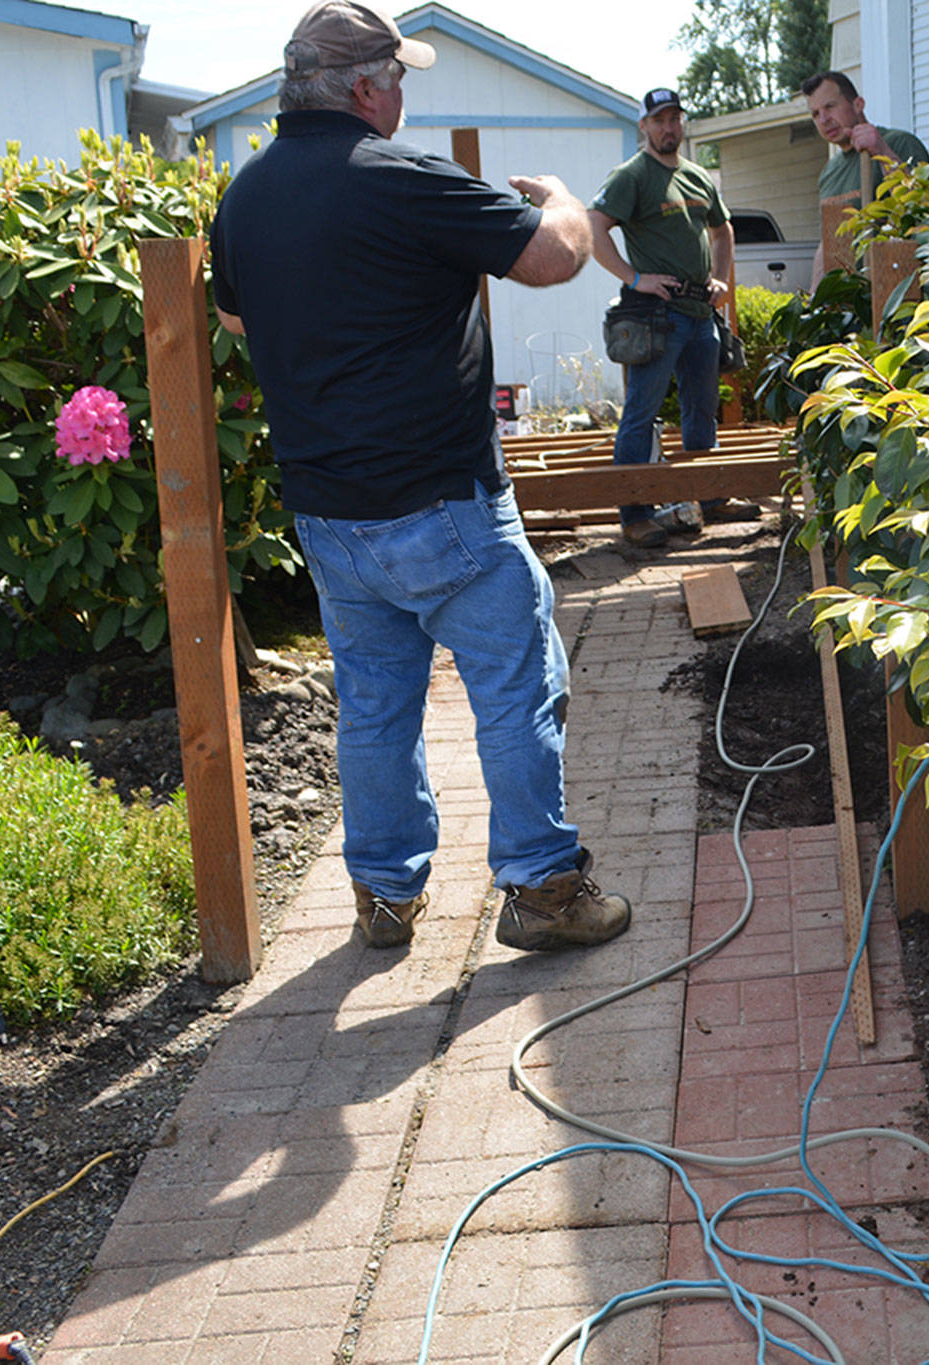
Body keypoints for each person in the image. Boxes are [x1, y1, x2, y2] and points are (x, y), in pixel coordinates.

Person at [209, 0, 629, 955]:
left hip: (330, 518)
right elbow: (555, 257)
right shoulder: (401, 179)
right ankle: (546, 891)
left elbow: (239, 322)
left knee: (375, 708)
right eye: (398, 79)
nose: (402, 97)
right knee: (516, 691)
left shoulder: (246, 197)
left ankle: (385, 896)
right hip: (445, 506)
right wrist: (562, 197)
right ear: (365, 88)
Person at [588, 87, 760, 550]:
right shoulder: (632, 176)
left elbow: (722, 228)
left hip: (700, 313)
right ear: (643, 126)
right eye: (659, 120)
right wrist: (633, 277)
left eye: (675, 118)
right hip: (657, 316)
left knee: (701, 409)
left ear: (682, 124)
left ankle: (710, 498)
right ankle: (634, 513)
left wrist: (721, 279)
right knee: (641, 413)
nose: (669, 127)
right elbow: (594, 226)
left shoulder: (697, 177)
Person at [802, 70, 929, 283]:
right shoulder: (829, 173)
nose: (824, 119)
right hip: (852, 302)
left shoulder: (899, 143)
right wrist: (816, 298)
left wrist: (881, 151)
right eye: (815, 114)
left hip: (897, 292)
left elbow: (921, 207)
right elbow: (828, 243)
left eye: (830, 107)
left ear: (858, 104)